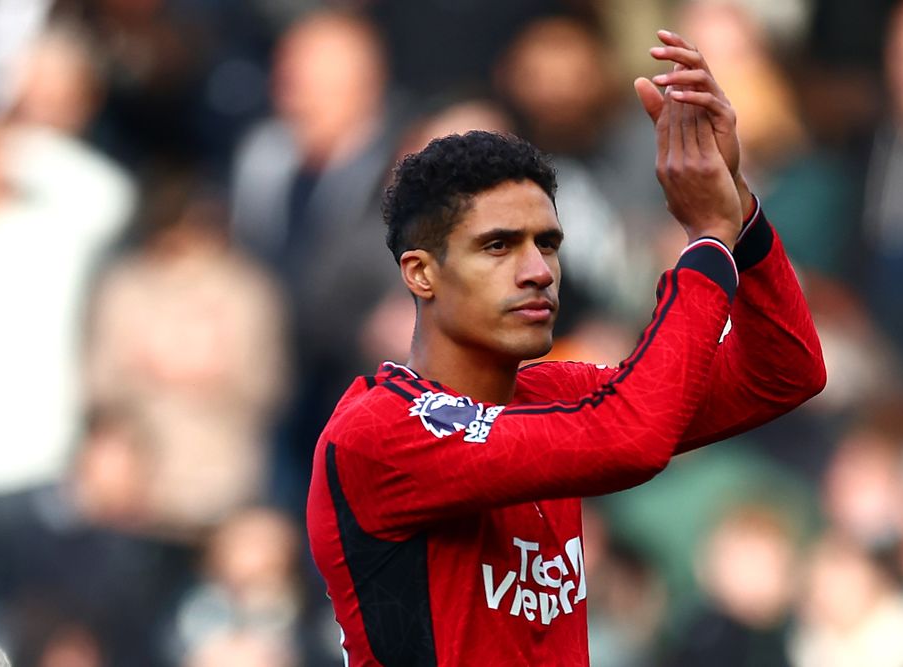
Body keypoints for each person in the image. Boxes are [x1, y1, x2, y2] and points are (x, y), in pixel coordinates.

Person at [306, 29, 825, 666]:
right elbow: (633, 438)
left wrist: (739, 211)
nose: (538, 271)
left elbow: (787, 371)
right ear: (421, 273)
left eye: (547, 243)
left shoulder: (555, 393)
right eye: (498, 246)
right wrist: (706, 242)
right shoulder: (379, 433)